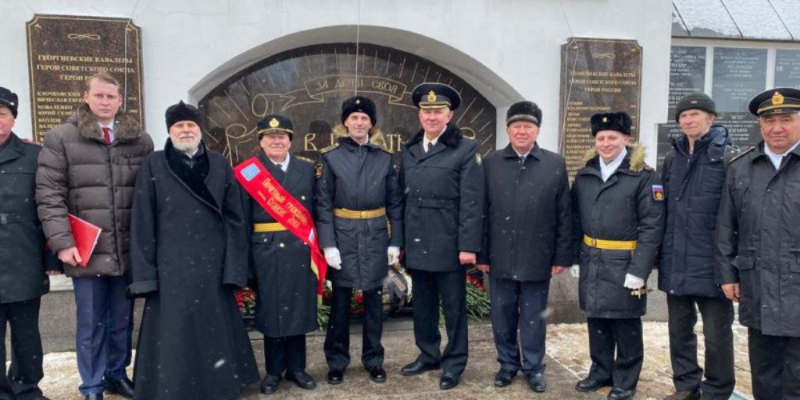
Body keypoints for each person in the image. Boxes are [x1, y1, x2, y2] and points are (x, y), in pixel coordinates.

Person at [127, 101, 259, 400]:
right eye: (179, 126)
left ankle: (220, 382)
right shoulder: (154, 164)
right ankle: (174, 384)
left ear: (200, 130)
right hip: (170, 264)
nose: (186, 130)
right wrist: (145, 275)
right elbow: (142, 221)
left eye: (191, 125)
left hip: (213, 263)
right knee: (174, 332)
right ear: (170, 131)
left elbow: (236, 218)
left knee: (214, 328)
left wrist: (234, 267)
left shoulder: (219, 164)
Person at [36, 73, 153, 400]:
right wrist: (63, 242)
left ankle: (117, 374)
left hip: (127, 248)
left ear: (120, 101)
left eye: (111, 97)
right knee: (90, 323)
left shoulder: (140, 140)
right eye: (99, 95)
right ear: (86, 96)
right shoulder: (60, 137)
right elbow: (49, 194)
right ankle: (92, 384)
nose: (105, 102)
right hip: (85, 249)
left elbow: (150, 194)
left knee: (122, 320)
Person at [476, 100, 572, 393]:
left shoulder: (554, 163)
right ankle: (507, 365)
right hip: (499, 255)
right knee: (502, 316)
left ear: (537, 131)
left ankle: (533, 368)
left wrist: (562, 254)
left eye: (528, 126)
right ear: (508, 130)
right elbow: (481, 210)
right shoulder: (491, 162)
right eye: (516, 126)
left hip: (537, 255)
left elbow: (564, 213)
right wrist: (481, 253)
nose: (522, 131)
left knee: (533, 317)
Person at [570, 112, 664, 400]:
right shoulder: (586, 174)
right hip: (592, 257)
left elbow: (652, 225)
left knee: (625, 323)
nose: (606, 143)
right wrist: (575, 256)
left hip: (626, 261)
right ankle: (601, 371)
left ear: (626, 139)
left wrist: (640, 270)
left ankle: (625, 378)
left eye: (613, 137)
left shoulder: (643, 176)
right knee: (596, 318)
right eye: (601, 138)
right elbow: (574, 218)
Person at [399, 83, 484, 390]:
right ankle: (428, 353)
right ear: (420, 115)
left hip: (449, 243)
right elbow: (402, 197)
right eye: (426, 111)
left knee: (453, 308)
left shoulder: (465, 148)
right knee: (422, 305)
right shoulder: (409, 149)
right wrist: (401, 241)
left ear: (449, 115)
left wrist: (468, 246)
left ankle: (455, 362)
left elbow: (472, 202)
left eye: (437, 111)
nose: (431, 117)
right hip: (418, 241)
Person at [716, 87, 800, 400]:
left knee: (796, 378)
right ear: (760, 125)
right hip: (758, 284)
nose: (777, 127)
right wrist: (727, 275)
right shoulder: (741, 167)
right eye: (769, 121)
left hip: (796, 286)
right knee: (764, 373)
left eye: (786, 119)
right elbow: (727, 225)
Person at [317, 96, 403, 385]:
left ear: (371, 123)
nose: (358, 122)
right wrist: (328, 244)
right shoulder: (330, 157)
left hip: (376, 235)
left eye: (364, 118)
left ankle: (374, 359)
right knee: (340, 305)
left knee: (373, 303)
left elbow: (395, 204)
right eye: (353, 117)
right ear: (345, 122)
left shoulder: (385, 157)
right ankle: (337, 361)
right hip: (343, 234)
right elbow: (323, 204)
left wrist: (395, 242)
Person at [659, 93, 735, 400]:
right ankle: (686, 386)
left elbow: (734, 215)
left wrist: (730, 265)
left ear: (711, 118)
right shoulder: (672, 158)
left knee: (716, 335)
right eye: (683, 117)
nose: (689, 121)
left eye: (695, 115)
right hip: (676, 259)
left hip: (712, 264)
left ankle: (717, 390)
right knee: (679, 332)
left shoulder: (728, 157)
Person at [243, 114, 319, 395]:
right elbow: (240, 220)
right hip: (265, 250)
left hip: (299, 248)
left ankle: (298, 368)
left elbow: (317, 210)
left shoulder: (307, 170)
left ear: (290, 140)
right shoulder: (249, 172)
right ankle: (274, 371)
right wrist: (246, 262)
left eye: (282, 136)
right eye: (270, 136)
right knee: (272, 309)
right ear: (261, 141)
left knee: (297, 308)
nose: (276, 141)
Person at [0, 86, 58, 400]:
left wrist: (50, 261)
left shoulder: (34, 156)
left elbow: (46, 209)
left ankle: (26, 387)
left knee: (26, 335)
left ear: (12, 118)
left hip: (24, 259)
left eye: (2, 115)